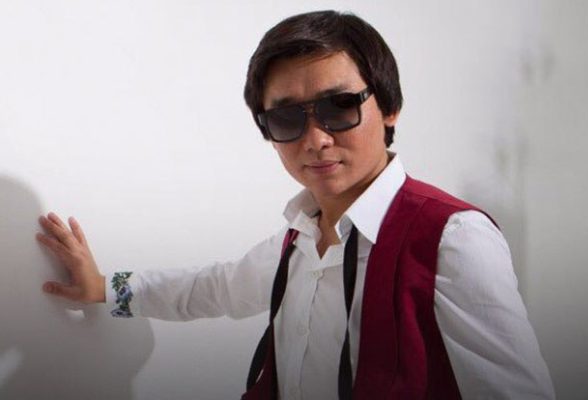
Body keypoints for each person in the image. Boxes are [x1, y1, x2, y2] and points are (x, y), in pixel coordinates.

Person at [36, 10, 555, 400]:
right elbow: (214, 288)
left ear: (390, 107)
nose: (316, 139)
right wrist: (103, 289)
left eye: (339, 106)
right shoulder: (299, 240)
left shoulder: (453, 238)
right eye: (287, 118)